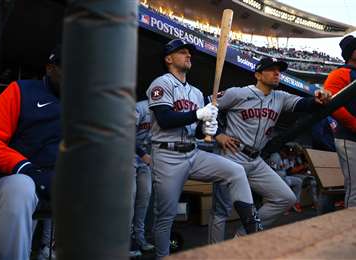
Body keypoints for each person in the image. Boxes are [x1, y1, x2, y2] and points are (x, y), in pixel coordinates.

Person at [147, 39, 260, 258]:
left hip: (193, 152)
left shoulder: (197, 93)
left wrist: (208, 126)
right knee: (165, 216)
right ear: (168, 59)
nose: (188, 55)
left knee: (235, 171)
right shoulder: (161, 83)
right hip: (167, 155)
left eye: (189, 52)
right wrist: (198, 115)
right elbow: (165, 119)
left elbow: (197, 132)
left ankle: (252, 225)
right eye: (182, 52)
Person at [209, 57, 332, 243]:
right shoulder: (238, 93)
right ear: (258, 74)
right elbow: (205, 107)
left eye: (279, 70)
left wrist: (318, 98)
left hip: (256, 160)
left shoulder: (280, 97)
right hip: (232, 157)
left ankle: (242, 236)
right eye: (271, 69)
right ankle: (213, 253)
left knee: (285, 197)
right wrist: (217, 133)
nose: (277, 73)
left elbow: (305, 104)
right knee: (221, 211)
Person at [0, 46, 62, 260]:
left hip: (55, 184)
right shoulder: (21, 90)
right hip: (10, 179)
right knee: (22, 187)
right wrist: (30, 170)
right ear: (50, 68)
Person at [324, 35, 356, 208]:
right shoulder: (339, 74)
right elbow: (332, 105)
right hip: (349, 138)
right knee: (355, 188)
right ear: (351, 53)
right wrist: (354, 124)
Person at [133, 100, 154, 251]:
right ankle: (126, 241)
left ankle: (139, 238)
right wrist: (142, 154)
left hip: (146, 159)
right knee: (129, 198)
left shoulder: (166, 110)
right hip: (129, 155)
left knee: (144, 197)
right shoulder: (139, 107)